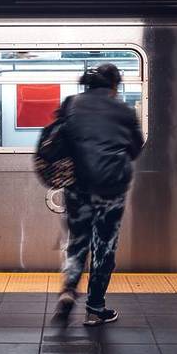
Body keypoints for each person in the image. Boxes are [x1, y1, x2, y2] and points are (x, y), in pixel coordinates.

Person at [53, 64, 144, 326]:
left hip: (77, 187)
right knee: (104, 247)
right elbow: (135, 148)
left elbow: (61, 140)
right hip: (110, 188)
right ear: (114, 85)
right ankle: (95, 308)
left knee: (77, 243)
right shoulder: (124, 110)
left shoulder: (71, 103)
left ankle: (68, 289)